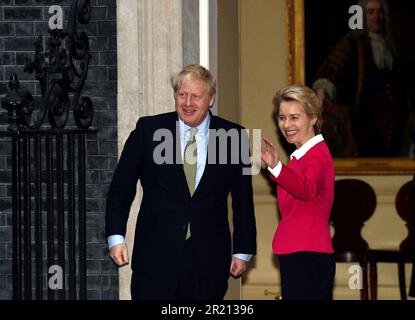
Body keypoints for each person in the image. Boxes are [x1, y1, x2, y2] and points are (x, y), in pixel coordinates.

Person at [105, 64, 256, 300]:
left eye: (196, 96)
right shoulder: (148, 130)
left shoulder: (234, 137)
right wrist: (116, 236)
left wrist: (243, 250)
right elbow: (120, 189)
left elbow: (243, 201)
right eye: (182, 94)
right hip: (154, 261)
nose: (187, 103)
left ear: (211, 99)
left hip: (208, 264)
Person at [260, 85, 335, 300]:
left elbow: (307, 188)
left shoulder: (318, 155)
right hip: (298, 252)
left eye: (294, 117)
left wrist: (276, 167)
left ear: (313, 118)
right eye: (282, 117)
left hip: (309, 254)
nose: (286, 124)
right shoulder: (299, 158)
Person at [313, 0, 410, 157]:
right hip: (362, 122)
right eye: (371, 12)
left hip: (394, 124)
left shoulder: (392, 46)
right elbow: (331, 67)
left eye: (380, 12)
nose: (376, 17)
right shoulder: (352, 43)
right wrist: (323, 89)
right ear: (363, 16)